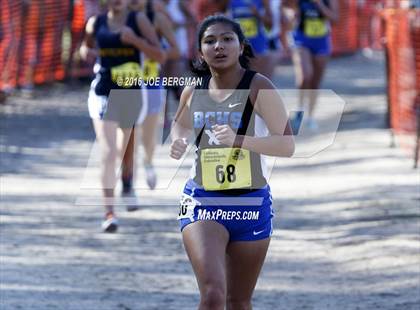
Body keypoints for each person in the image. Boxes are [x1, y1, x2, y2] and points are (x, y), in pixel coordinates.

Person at [170, 15, 294, 309]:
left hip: (250, 202)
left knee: (238, 300)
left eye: (227, 39)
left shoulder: (258, 86)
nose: (219, 46)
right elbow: (181, 124)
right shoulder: (193, 90)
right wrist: (179, 139)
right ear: (200, 52)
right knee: (213, 294)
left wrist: (239, 140)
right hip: (202, 199)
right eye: (210, 41)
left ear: (241, 47)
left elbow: (287, 145)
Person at [80, 0, 165, 232]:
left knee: (123, 149)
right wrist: (86, 51)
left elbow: (160, 56)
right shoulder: (95, 23)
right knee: (107, 152)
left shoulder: (138, 21)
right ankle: (109, 213)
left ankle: (127, 181)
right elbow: (85, 47)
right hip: (102, 92)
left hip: (130, 93)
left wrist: (135, 41)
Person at [129, 0, 180, 189]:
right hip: (125, 84)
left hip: (150, 84)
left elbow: (176, 50)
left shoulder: (157, 18)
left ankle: (148, 162)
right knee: (128, 136)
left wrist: (153, 52)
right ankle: (129, 181)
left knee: (148, 137)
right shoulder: (119, 19)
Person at [282, 0, 339, 131]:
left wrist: (319, 4)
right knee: (305, 76)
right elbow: (285, 5)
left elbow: (335, 19)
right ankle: (300, 110)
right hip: (301, 40)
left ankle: (311, 116)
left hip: (321, 42)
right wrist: (290, 13)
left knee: (315, 82)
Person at [229, 0, 274, 78]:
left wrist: (257, 13)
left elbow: (270, 25)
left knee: (255, 77)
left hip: (257, 43)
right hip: (237, 43)